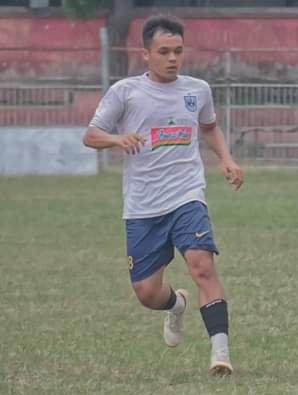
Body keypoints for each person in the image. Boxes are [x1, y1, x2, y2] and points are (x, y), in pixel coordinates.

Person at [83, 15, 244, 376]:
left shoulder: (197, 89)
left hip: (187, 195)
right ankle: (175, 305)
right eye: (164, 52)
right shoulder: (125, 92)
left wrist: (227, 159)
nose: (173, 58)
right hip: (142, 205)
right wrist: (117, 139)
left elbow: (209, 127)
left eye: (178, 51)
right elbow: (90, 135)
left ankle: (221, 353)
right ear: (146, 54)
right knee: (146, 293)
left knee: (202, 266)